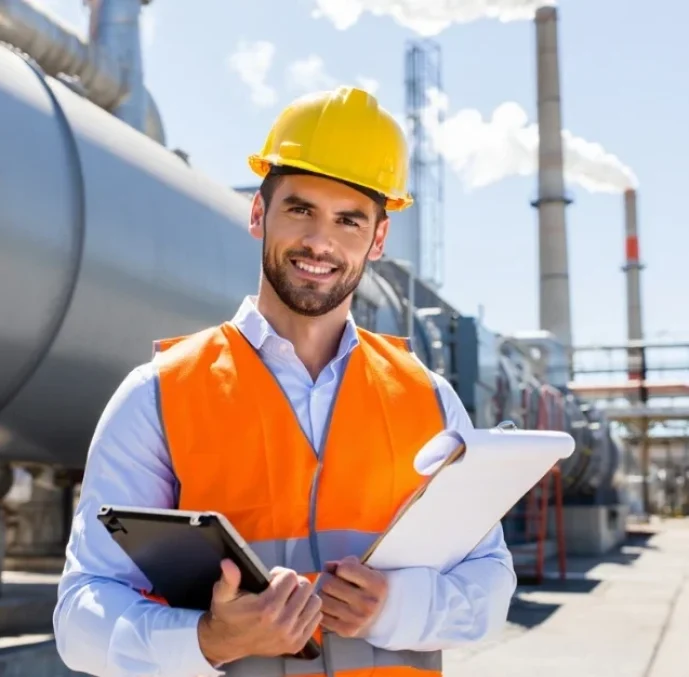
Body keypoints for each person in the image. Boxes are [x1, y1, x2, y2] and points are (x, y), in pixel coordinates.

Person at [53, 85, 517, 677]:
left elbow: (490, 580)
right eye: (300, 209)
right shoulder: (158, 395)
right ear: (258, 213)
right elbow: (80, 614)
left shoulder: (429, 399)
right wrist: (206, 639)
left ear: (377, 239)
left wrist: (399, 606)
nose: (320, 242)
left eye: (348, 220)